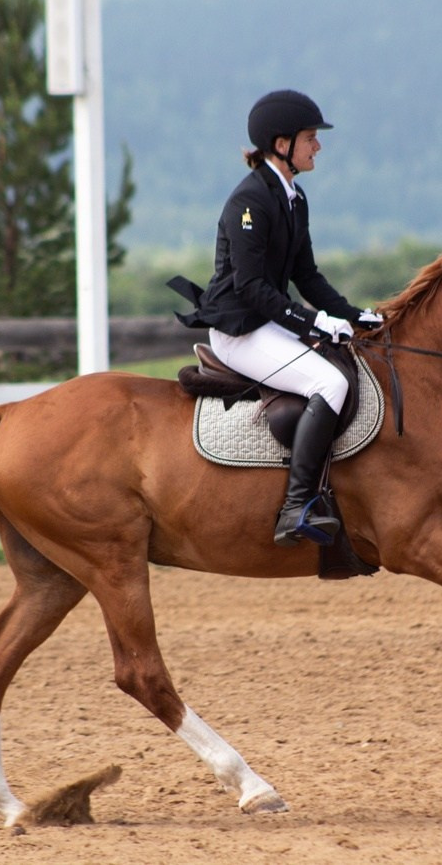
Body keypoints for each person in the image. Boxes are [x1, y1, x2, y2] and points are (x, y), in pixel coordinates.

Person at [170, 89, 382, 547]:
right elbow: (250, 288)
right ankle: (297, 505)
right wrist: (313, 324)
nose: (318, 146)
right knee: (331, 384)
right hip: (240, 329)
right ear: (281, 143)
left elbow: (307, 275)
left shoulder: (293, 198)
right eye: (310, 138)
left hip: (267, 323)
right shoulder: (249, 202)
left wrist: (356, 315)